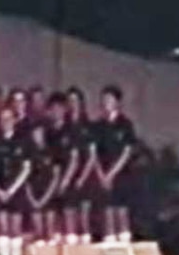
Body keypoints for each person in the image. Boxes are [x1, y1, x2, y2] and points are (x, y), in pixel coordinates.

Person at [95, 85, 137, 242]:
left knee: (121, 209)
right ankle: (110, 238)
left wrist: (112, 173)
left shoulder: (125, 124)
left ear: (117, 102)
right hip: (103, 174)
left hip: (122, 174)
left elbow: (127, 152)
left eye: (109, 99)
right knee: (107, 209)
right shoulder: (99, 125)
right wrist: (101, 174)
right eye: (104, 99)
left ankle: (124, 240)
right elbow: (95, 153)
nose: (106, 103)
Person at [0, 106, 31, 255]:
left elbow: (26, 168)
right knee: (2, 227)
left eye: (9, 118)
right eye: (2, 119)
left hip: (16, 190)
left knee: (15, 227)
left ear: (14, 120)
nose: (6, 122)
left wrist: (11, 190)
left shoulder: (22, 142)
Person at [65, 86, 97, 242]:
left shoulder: (88, 127)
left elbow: (92, 156)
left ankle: (86, 248)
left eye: (76, 101)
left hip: (84, 178)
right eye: (70, 101)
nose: (73, 104)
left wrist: (81, 178)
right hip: (67, 177)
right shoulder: (65, 126)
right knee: (68, 215)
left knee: (84, 217)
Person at [47, 92, 80, 244]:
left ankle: (72, 247)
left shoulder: (71, 130)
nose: (56, 112)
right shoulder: (48, 132)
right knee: (54, 216)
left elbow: (74, 159)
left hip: (68, 180)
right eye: (53, 109)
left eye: (59, 108)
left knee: (69, 213)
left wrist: (65, 181)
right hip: (50, 180)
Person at [26, 123, 62, 244]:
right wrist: (32, 198)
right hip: (34, 195)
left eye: (40, 133)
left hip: (49, 194)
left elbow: (56, 176)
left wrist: (47, 196)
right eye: (35, 134)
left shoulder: (52, 152)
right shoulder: (28, 153)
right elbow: (26, 178)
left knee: (50, 231)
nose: (37, 136)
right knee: (39, 234)